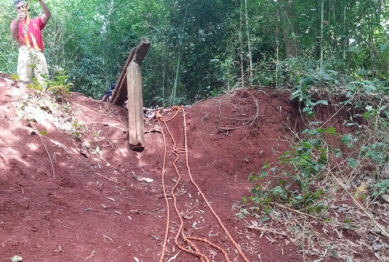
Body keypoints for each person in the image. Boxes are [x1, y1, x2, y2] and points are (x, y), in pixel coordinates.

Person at [10, 0, 51, 86]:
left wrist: (40, 1)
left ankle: (43, 96)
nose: (21, 9)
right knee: (23, 77)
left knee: (43, 78)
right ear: (16, 10)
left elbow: (47, 14)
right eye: (18, 8)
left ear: (27, 7)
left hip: (38, 51)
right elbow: (14, 35)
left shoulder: (36, 21)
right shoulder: (15, 22)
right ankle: (24, 97)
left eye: (23, 6)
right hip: (24, 50)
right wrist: (18, 20)